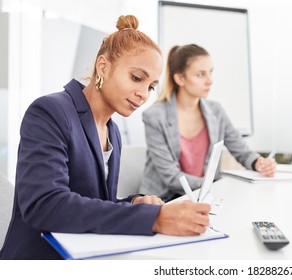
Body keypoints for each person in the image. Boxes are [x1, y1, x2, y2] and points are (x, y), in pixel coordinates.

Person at [0, 16, 210, 260]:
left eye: (151, 86)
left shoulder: (113, 132)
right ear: (103, 66)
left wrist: (134, 203)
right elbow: (45, 206)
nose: (143, 94)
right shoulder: (50, 111)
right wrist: (154, 219)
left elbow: (94, 203)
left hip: (87, 256)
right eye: (136, 78)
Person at [140, 44, 277, 202]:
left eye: (210, 73)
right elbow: (171, 177)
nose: (210, 81)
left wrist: (258, 163)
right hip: (164, 200)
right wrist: (217, 185)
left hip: (203, 198)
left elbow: (242, 152)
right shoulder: (154, 116)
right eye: (200, 75)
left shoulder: (216, 111)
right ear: (180, 78)